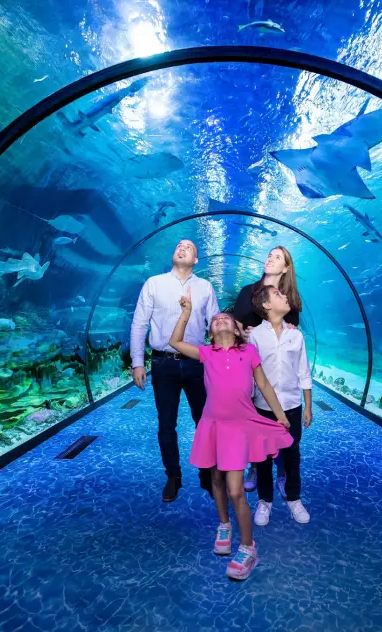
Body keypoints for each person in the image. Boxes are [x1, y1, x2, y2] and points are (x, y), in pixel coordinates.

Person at [169, 288, 293, 580]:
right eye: (215, 320)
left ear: (238, 330)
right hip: (212, 426)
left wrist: (279, 414)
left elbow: (263, 385)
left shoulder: (248, 352)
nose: (220, 319)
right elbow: (174, 342)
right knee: (215, 479)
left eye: (226, 318)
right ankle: (224, 524)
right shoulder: (205, 353)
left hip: (239, 427)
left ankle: (248, 548)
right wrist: (186, 313)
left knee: (235, 490)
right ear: (210, 334)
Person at [130, 239, 219, 502]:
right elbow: (139, 324)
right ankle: (173, 476)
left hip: (196, 362)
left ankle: (207, 474)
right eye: (178, 245)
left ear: (196, 260)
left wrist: (221, 360)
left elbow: (215, 326)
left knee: (204, 421)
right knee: (166, 423)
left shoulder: (205, 287)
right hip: (163, 363)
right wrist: (137, 362)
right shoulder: (154, 283)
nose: (181, 247)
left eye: (188, 247)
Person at [231, 246, 303, 493]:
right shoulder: (247, 291)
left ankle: (282, 471)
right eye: (269, 255)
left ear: (286, 267)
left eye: (277, 257)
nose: (270, 258)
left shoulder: (289, 300)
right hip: (249, 367)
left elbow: (292, 331)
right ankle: (255, 466)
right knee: (255, 421)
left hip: (278, 372)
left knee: (282, 423)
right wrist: (244, 334)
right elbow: (235, 325)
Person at [248, 285, 313, 525]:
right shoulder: (255, 336)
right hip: (263, 406)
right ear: (267, 305)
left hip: (292, 404)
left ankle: (294, 499)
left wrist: (308, 406)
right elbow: (250, 375)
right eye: (278, 294)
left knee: (292, 453)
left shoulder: (296, 335)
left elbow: (303, 371)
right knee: (263, 456)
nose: (285, 296)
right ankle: (265, 500)